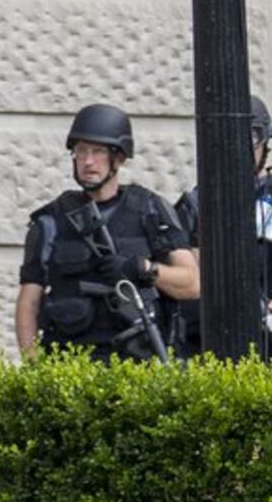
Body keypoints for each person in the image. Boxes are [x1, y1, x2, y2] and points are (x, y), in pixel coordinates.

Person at [18, 103, 196, 358]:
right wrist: (34, 371)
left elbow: (191, 283)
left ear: (119, 158)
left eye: (98, 152)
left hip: (138, 366)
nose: (88, 161)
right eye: (81, 151)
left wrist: (143, 270)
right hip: (70, 367)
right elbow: (29, 301)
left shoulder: (150, 209)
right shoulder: (51, 220)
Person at [174, 94, 272, 357]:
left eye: (251, 138)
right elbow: (187, 275)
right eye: (228, 138)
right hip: (211, 343)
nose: (239, 148)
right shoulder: (196, 203)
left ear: (265, 144)